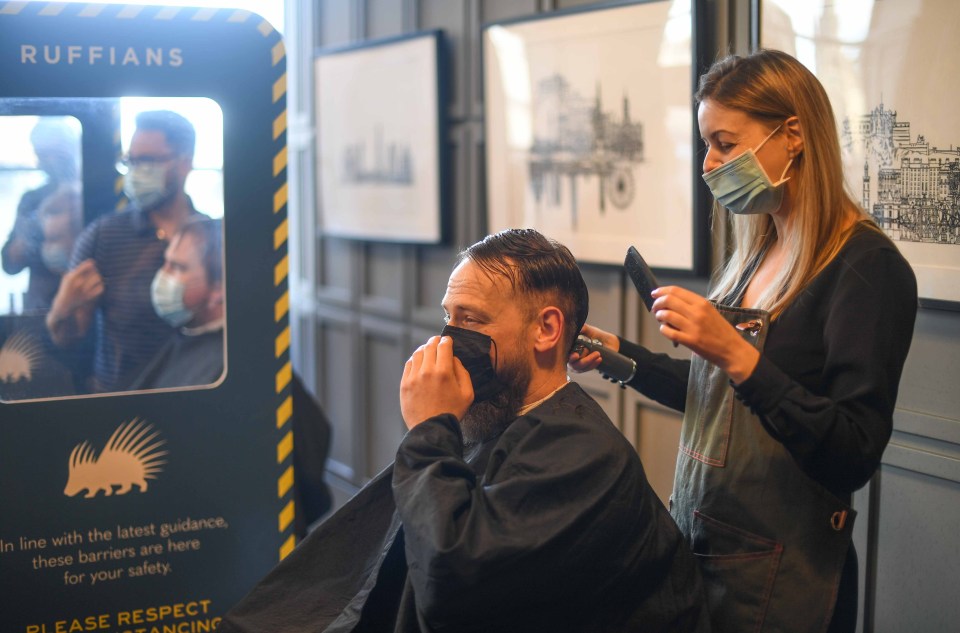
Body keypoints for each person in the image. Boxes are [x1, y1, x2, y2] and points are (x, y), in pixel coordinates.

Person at [570, 50, 918, 633]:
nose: (709, 163)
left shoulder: (866, 269)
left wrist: (733, 352)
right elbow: (726, 405)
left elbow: (853, 451)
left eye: (725, 144)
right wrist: (623, 360)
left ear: (794, 135)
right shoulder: (754, 253)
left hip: (788, 578)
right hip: (706, 547)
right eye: (707, 144)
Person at [220, 229, 709, 633]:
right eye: (448, 317)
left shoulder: (582, 455)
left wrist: (432, 427)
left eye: (471, 319)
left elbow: (452, 585)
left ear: (546, 329)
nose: (447, 339)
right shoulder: (498, 420)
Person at [46, 110, 205, 393]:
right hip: (121, 405)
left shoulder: (210, 235)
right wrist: (62, 309)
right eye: (131, 160)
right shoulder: (102, 236)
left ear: (185, 164)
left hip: (196, 395)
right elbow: (66, 337)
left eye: (149, 161)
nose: (136, 170)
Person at [129, 217, 224, 390]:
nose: (163, 274)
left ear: (218, 289)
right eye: (166, 263)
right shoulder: (187, 334)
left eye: (178, 267)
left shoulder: (220, 367)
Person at [1, 117, 81, 312]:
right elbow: (10, 264)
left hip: (82, 300)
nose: (49, 160)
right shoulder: (32, 200)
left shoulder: (90, 195)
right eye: (42, 154)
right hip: (41, 306)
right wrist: (30, 233)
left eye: (55, 152)